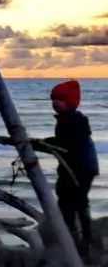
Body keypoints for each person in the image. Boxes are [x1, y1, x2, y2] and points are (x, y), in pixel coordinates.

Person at [47, 79, 99, 256]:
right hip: (83, 166)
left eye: (59, 99)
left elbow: (66, 145)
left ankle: (75, 239)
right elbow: (64, 145)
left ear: (68, 102)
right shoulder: (71, 119)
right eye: (53, 99)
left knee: (68, 200)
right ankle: (84, 236)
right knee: (78, 200)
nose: (54, 102)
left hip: (79, 168)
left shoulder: (72, 121)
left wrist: (42, 144)